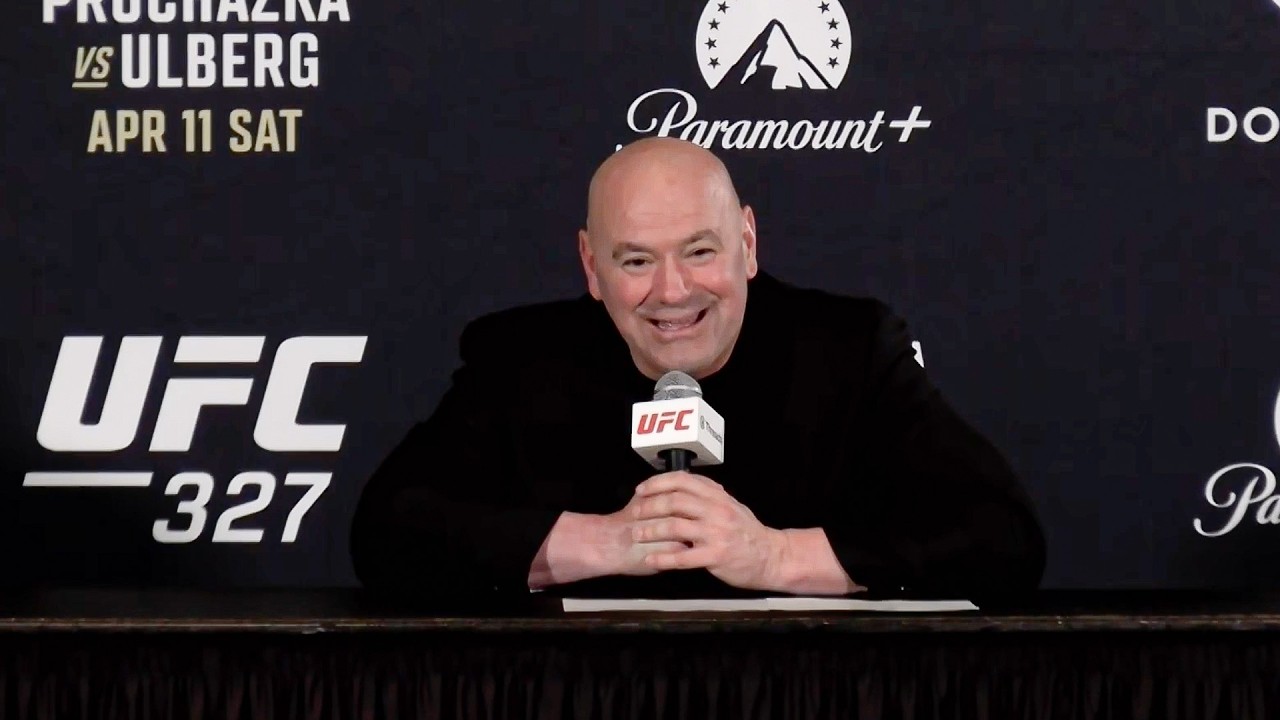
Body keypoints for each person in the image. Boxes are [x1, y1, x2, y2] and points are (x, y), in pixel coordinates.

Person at [350, 138, 1046, 600]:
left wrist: (773, 557)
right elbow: (387, 534)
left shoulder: (849, 350)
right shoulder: (520, 359)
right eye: (636, 260)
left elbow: (1002, 537)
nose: (673, 291)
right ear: (591, 266)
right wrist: (609, 542)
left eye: (700, 252)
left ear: (748, 242)